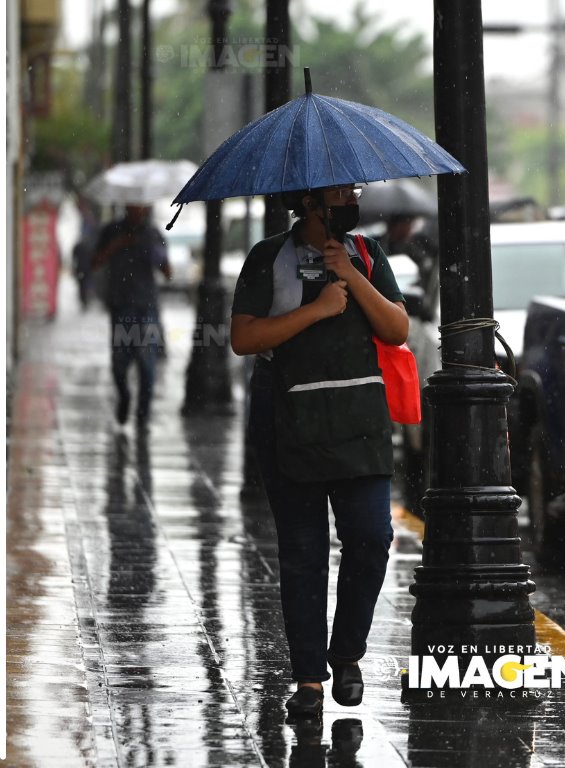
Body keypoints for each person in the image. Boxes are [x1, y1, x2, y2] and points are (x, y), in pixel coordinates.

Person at [229, 184, 409, 719]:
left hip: (359, 424)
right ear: (309, 203)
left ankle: (346, 653)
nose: (352, 198)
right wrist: (319, 308)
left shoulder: (367, 254)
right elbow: (244, 337)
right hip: (292, 422)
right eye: (340, 192)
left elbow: (397, 327)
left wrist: (351, 277)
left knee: (372, 537)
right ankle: (309, 678)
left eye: (354, 190)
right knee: (303, 553)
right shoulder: (269, 259)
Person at [91, 205, 171, 430]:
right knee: (119, 365)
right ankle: (124, 396)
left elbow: (167, 272)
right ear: (127, 205)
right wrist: (116, 245)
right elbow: (95, 262)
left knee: (147, 366)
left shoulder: (153, 234)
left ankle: (143, 415)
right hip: (121, 307)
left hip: (147, 309)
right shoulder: (111, 231)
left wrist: (153, 252)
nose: (138, 209)